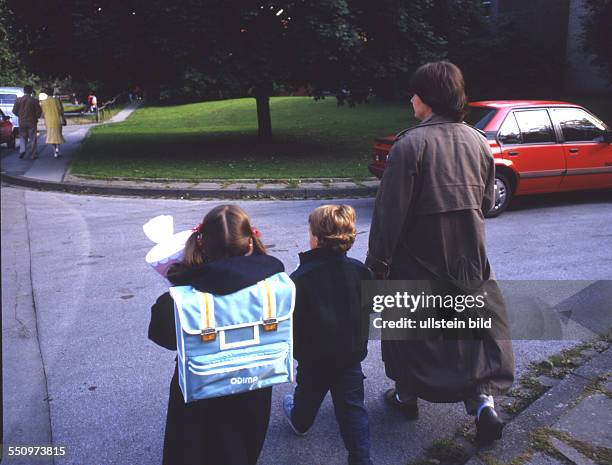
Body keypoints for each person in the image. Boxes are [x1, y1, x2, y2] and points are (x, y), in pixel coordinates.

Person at [366, 61, 515, 446]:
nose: (411, 97)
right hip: (468, 256)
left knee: (411, 332)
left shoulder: (410, 145)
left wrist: (376, 265)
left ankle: (406, 396)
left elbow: (389, 216)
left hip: (418, 257)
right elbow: (484, 201)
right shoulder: (478, 141)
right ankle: (483, 405)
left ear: (429, 98)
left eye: (415, 92)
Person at [148, 205, 286, 465]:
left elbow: (161, 335)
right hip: (253, 384)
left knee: (192, 449)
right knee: (243, 448)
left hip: (199, 388)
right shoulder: (275, 284)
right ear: (249, 245)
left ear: (202, 247)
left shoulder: (183, 297)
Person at [284, 205, 374, 465]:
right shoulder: (360, 271)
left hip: (314, 359)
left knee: (307, 397)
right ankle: (361, 459)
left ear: (316, 238)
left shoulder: (300, 278)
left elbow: (292, 322)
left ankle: (300, 421)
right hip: (349, 356)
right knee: (353, 409)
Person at [12, 85, 42, 159]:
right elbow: (39, 112)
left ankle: (22, 150)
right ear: (31, 91)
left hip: (22, 121)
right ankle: (32, 154)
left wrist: (19, 115)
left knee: (22, 137)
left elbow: (14, 111)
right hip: (32, 122)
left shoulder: (18, 100)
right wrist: (36, 117)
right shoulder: (34, 100)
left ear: (24, 91)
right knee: (32, 138)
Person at [39, 88, 66, 158]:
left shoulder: (43, 102)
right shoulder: (57, 100)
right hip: (57, 120)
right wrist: (63, 119)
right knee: (58, 135)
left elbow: (42, 113)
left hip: (49, 122)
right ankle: (57, 148)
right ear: (53, 92)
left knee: (52, 137)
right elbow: (61, 110)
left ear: (46, 93)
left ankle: (55, 150)